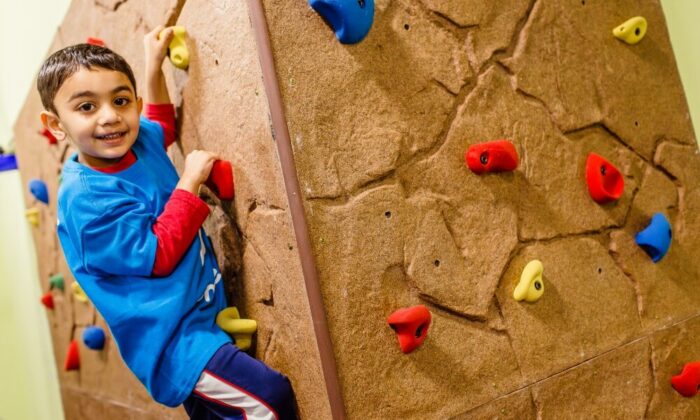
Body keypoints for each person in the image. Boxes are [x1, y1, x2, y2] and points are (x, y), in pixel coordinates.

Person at [38, 25, 296, 419]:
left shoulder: (134, 139)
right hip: (175, 341)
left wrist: (153, 66)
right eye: (87, 107)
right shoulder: (86, 200)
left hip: (199, 316)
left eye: (121, 101)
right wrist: (190, 180)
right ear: (56, 124)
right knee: (269, 397)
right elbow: (158, 254)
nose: (110, 117)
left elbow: (162, 127)